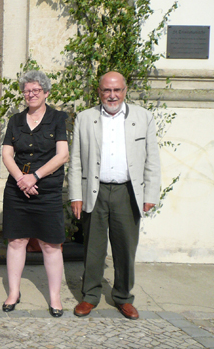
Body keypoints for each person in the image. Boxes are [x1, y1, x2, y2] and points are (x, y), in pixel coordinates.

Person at [69, 71, 161, 320]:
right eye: (107, 90)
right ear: (99, 91)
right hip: (95, 191)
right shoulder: (85, 118)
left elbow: (152, 158)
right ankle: (89, 296)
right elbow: (76, 159)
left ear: (125, 90)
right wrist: (75, 195)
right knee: (93, 248)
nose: (112, 95)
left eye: (117, 90)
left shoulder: (143, 117)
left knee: (125, 248)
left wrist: (150, 192)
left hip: (127, 192)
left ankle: (122, 297)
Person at [0, 70, 69, 317]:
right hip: (18, 189)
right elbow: (7, 154)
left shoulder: (58, 118)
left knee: (51, 244)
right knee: (16, 241)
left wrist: (35, 176)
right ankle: (13, 292)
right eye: (27, 91)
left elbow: (63, 155)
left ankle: (54, 297)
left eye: (36, 90)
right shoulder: (15, 120)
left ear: (46, 93)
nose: (31, 94)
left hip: (47, 189)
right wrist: (20, 178)